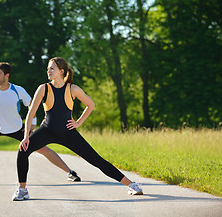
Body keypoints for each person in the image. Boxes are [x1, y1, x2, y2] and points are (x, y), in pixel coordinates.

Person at [12, 57, 143, 201]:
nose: (48, 71)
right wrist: (26, 137)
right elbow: (31, 113)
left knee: (96, 160)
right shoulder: (44, 88)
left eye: (52, 68)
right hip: (47, 130)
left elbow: (90, 105)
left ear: (61, 71)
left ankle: (132, 185)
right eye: (48, 68)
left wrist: (78, 123)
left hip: (68, 133)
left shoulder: (73, 89)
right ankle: (22, 190)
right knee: (23, 150)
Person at [0, 62, 81, 186]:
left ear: (7, 75)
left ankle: (70, 172)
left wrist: (32, 125)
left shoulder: (17, 90)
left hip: (17, 128)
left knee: (43, 149)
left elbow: (31, 105)